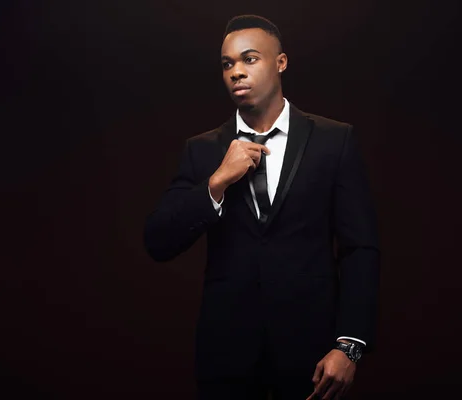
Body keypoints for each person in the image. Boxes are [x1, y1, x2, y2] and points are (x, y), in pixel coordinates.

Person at [144, 14, 380, 400]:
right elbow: (157, 241)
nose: (237, 72)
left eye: (249, 59)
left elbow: (360, 250)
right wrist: (217, 181)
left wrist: (349, 345)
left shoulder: (334, 141)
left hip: (313, 357)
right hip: (226, 359)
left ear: (281, 62)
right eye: (227, 64)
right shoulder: (202, 150)